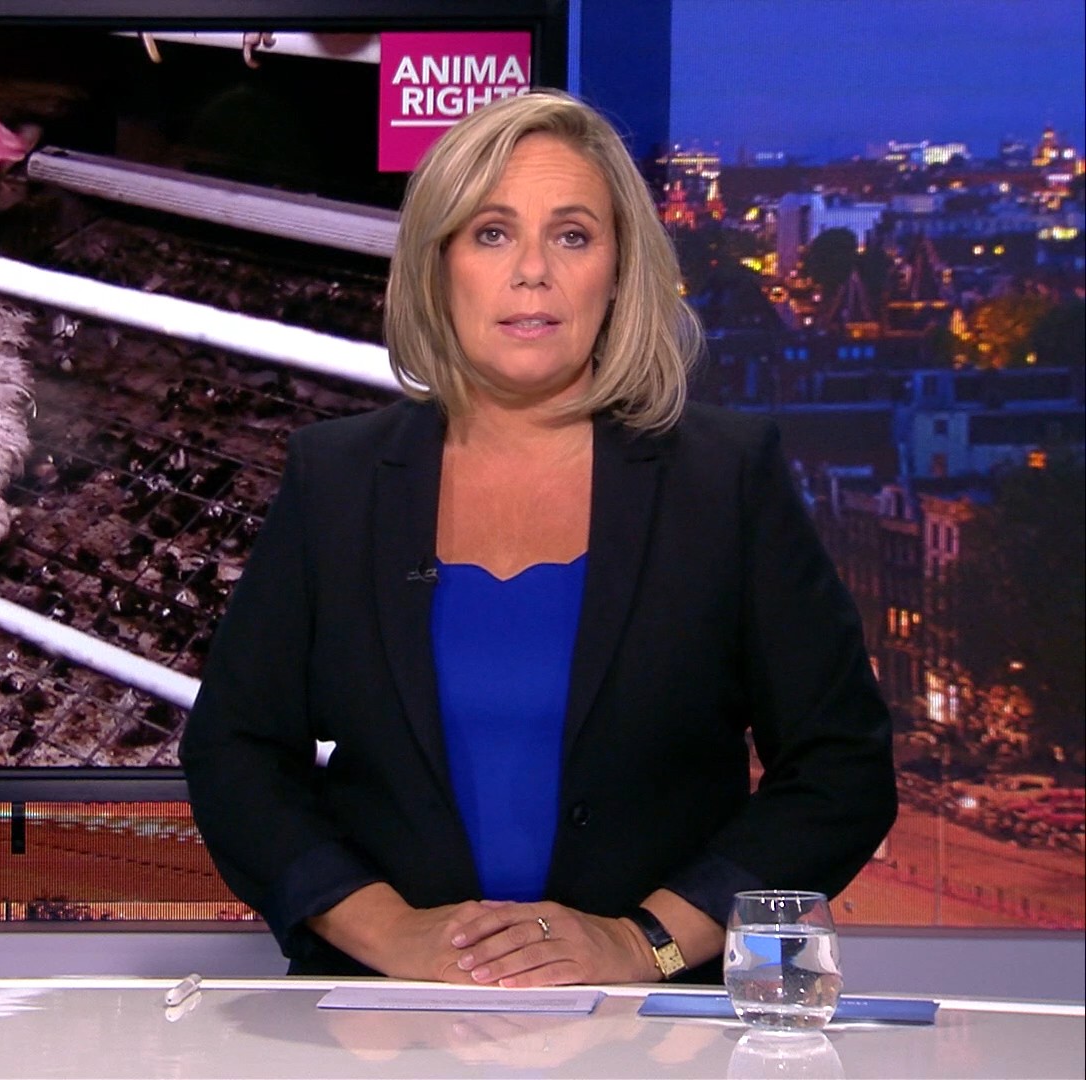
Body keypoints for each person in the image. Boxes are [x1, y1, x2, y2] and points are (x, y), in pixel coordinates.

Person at [179, 89, 896, 985]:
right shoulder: (338, 479)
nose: (532, 271)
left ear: (618, 269)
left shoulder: (724, 479)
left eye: (572, 235)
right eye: (491, 233)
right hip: (386, 1019)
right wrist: (393, 936)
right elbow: (236, 751)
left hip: (651, 1025)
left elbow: (840, 767)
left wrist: (643, 942)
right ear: (438, 264)